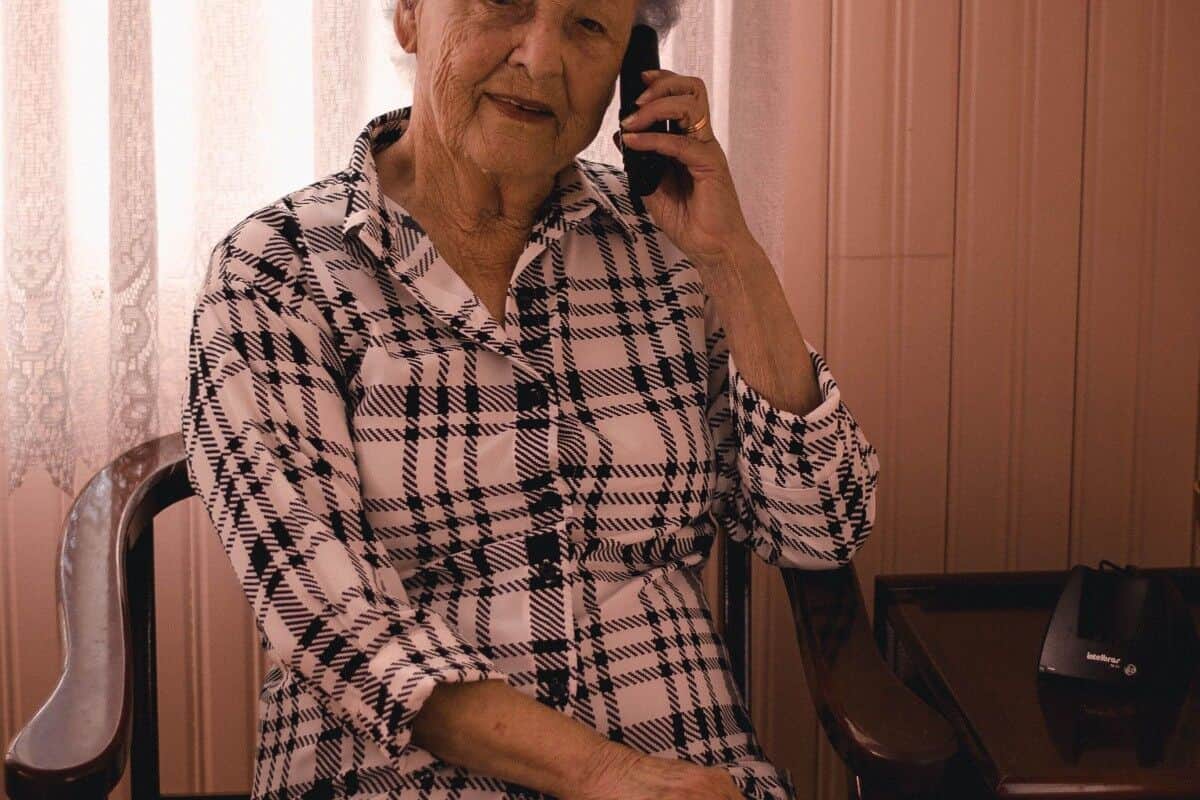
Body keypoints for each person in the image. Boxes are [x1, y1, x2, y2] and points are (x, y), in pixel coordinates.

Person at [181, 1, 880, 798]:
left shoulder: (669, 244)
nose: (543, 59)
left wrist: (733, 259)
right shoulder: (279, 270)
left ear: (632, 62)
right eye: (506, 3)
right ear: (410, 15)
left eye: (588, 26)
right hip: (401, 772)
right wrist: (607, 776)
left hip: (686, 761)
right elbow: (328, 618)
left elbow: (823, 526)